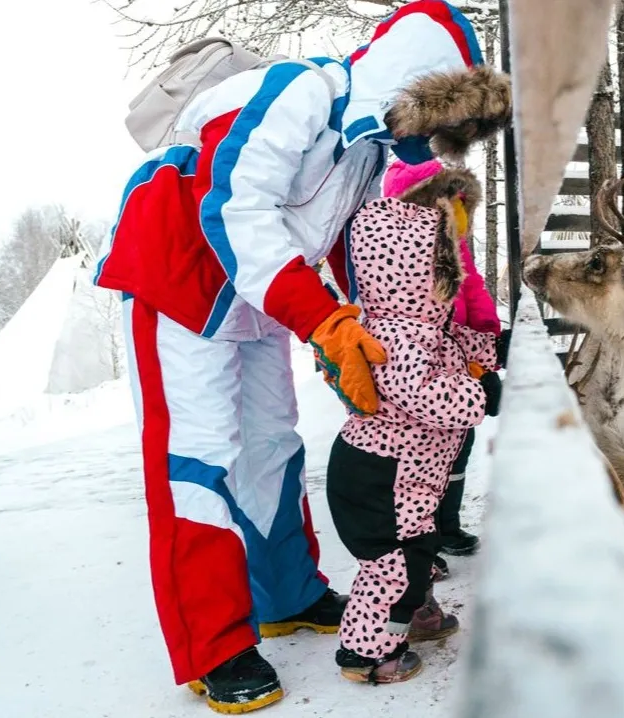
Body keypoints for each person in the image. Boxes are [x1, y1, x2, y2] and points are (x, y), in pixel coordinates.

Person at [90, 1, 511, 712]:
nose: (434, 144)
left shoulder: (371, 152)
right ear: (411, 81)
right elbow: (233, 206)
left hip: (255, 301)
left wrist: (377, 338)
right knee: (198, 458)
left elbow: (359, 257)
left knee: (274, 446)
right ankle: (215, 646)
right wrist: (323, 324)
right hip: (176, 280)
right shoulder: (295, 92)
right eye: (438, 122)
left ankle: (289, 593)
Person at [326, 174, 501, 683]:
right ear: (421, 272)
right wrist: (483, 395)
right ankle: (366, 655)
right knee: (392, 570)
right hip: (384, 481)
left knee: (407, 561)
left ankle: (395, 630)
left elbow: (454, 352)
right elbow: (423, 394)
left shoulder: (416, 324)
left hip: (403, 481)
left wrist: (491, 352)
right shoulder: (400, 333)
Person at [379, 159, 505, 569]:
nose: (459, 211)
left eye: (462, 203)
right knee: (418, 457)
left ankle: (444, 526)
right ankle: (416, 545)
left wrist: (487, 342)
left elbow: (473, 287)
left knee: (457, 444)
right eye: (451, 202)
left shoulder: (454, 240)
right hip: (420, 358)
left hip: (459, 354)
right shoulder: (402, 249)